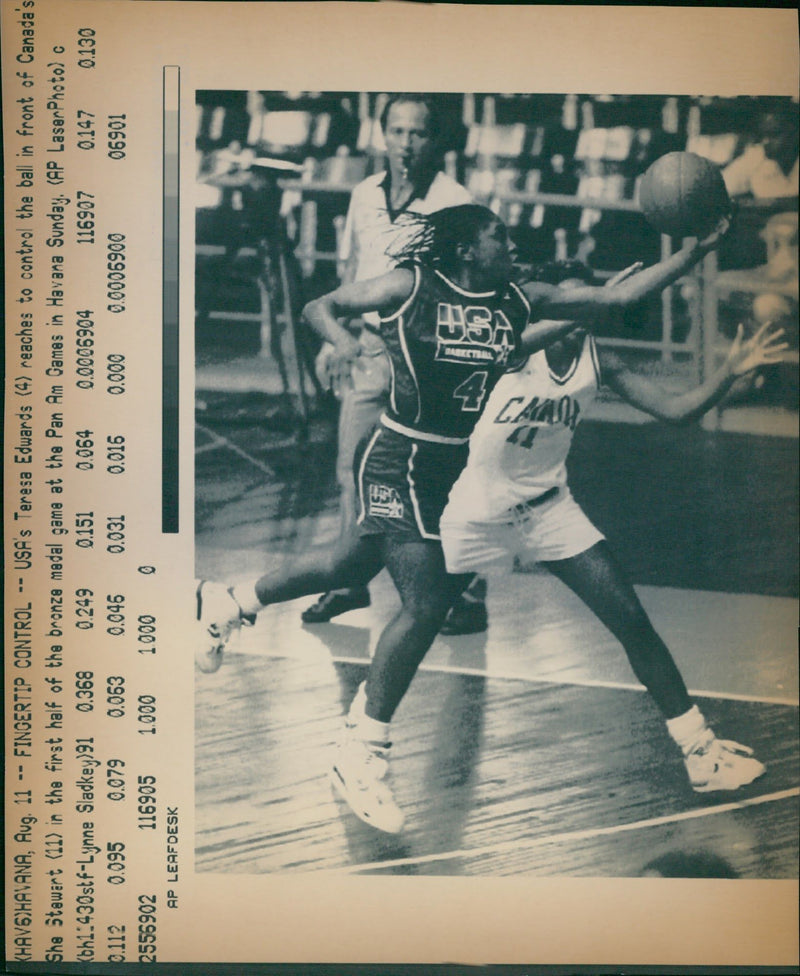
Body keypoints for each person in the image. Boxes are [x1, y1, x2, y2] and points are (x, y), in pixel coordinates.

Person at [196, 205, 731, 833]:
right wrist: (344, 344)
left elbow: (616, 300)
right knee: (425, 603)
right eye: (498, 233)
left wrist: (694, 252)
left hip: (446, 468)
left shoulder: (516, 303)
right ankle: (360, 750)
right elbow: (323, 306)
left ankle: (227, 600)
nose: (511, 241)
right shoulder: (411, 285)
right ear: (467, 249)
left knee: (352, 561)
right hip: (397, 456)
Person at [440, 260, 785, 797]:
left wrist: (730, 372)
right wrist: (602, 296)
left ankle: (700, 753)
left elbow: (676, 411)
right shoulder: (511, 346)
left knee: (631, 621)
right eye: (573, 304)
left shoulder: (598, 358)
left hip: (549, 510)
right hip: (476, 509)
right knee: (418, 621)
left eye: (589, 306)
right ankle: (364, 738)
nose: (582, 315)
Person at [303, 93, 488, 635]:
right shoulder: (363, 194)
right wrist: (331, 339)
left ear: (436, 140)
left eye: (419, 133)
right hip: (364, 349)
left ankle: (467, 593)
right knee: (351, 468)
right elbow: (350, 269)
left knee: (446, 476)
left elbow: (467, 286)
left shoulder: (456, 201)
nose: (408, 143)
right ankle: (347, 582)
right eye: (398, 131)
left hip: (426, 356)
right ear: (382, 135)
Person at [722, 102, 799, 201]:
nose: (765, 142)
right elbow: (719, 188)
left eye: (774, 135)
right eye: (762, 136)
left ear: (795, 133)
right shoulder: (757, 156)